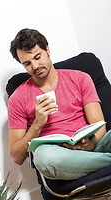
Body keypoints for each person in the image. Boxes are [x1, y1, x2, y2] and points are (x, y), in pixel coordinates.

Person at [8, 28, 111, 182]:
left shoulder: (80, 78)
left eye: (38, 57)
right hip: (60, 158)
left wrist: (90, 144)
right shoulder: (17, 99)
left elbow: (99, 126)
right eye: (27, 63)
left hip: (93, 147)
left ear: (47, 50)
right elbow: (17, 157)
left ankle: (98, 161)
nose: (35, 66)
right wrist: (37, 124)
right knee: (43, 158)